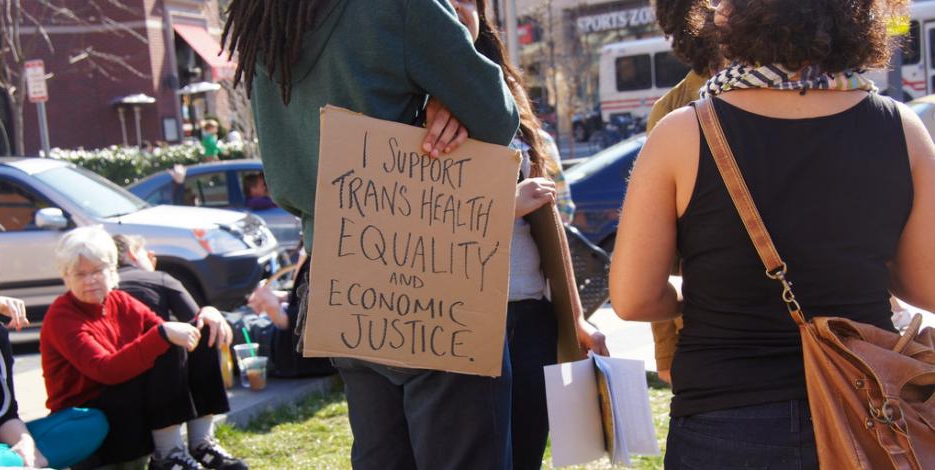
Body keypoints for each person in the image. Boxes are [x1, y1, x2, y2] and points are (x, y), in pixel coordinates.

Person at [609, 0, 931, 468]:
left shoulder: (682, 133)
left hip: (723, 413)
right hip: (865, 405)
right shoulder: (903, 129)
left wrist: (692, 303)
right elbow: (926, 284)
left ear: (732, 18)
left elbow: (632, 299)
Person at [222, 1, 521, 469]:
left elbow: (282, 179)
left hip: (341, 283)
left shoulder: (264, 20)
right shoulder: (399, 7)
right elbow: (496, 117)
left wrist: (434, 98)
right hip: (432, 278)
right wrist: (460, 50)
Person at [444, 2, 607, 468]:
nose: (457, 9)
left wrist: (574, 318)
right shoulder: (407, 98)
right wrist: (503, 204)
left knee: (527, 455)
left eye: (468, 1)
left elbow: (556, 228)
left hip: (531, 314)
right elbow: (415, 225)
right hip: (460, 321)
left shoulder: (507, 95)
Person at [40, 226, 248, 470]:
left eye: (97, 271)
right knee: (165, 340)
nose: (90, 280)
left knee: (201, 334)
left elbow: (168, 330)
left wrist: (207, 315)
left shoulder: (119, 300)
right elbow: (104, 370)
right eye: (79, 274)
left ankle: (201, 442)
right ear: (66, 277)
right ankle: (167, 454)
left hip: (123, 397)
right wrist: (163, 334)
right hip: (90, 415)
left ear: (111, 269)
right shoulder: (62, 316)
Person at [645, 0, 723, 385]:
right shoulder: (672, 111)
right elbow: (659, 244)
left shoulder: (805, 87)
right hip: (709, 331)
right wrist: (666, 348)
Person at [0, 266, 108, 468]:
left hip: (1, 447)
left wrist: (27, 445)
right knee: (5, 460)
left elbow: (5, 413)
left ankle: (25, 463)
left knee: (90, 422)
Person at [247, 254, 337, 378]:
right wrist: (285, 297)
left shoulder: (333, 251)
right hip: (283, 342)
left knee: (226, 328)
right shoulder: (320, 248)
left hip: (285, 351)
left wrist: (276, 311)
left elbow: (328, 318)